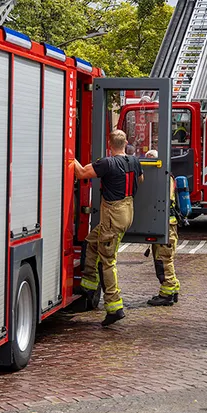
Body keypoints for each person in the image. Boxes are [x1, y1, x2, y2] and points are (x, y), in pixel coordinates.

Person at [73, 130, 143, 326]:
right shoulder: (134, 161)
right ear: (126, 143)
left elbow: (80, 173)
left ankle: (114, 307)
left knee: (108, 261)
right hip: (127, 211)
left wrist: (69, 154)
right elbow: (141, 180)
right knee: (91, 242)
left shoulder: (107, 163)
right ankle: (88, 285)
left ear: (109, 144)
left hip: (113, 217)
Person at [144, 150, 180, 306]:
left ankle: (167, 294)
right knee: (164, 259)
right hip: (166, 224)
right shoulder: (166, 177)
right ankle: (172, 290)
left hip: (167, 226)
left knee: (164, 260)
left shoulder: (164, 178)